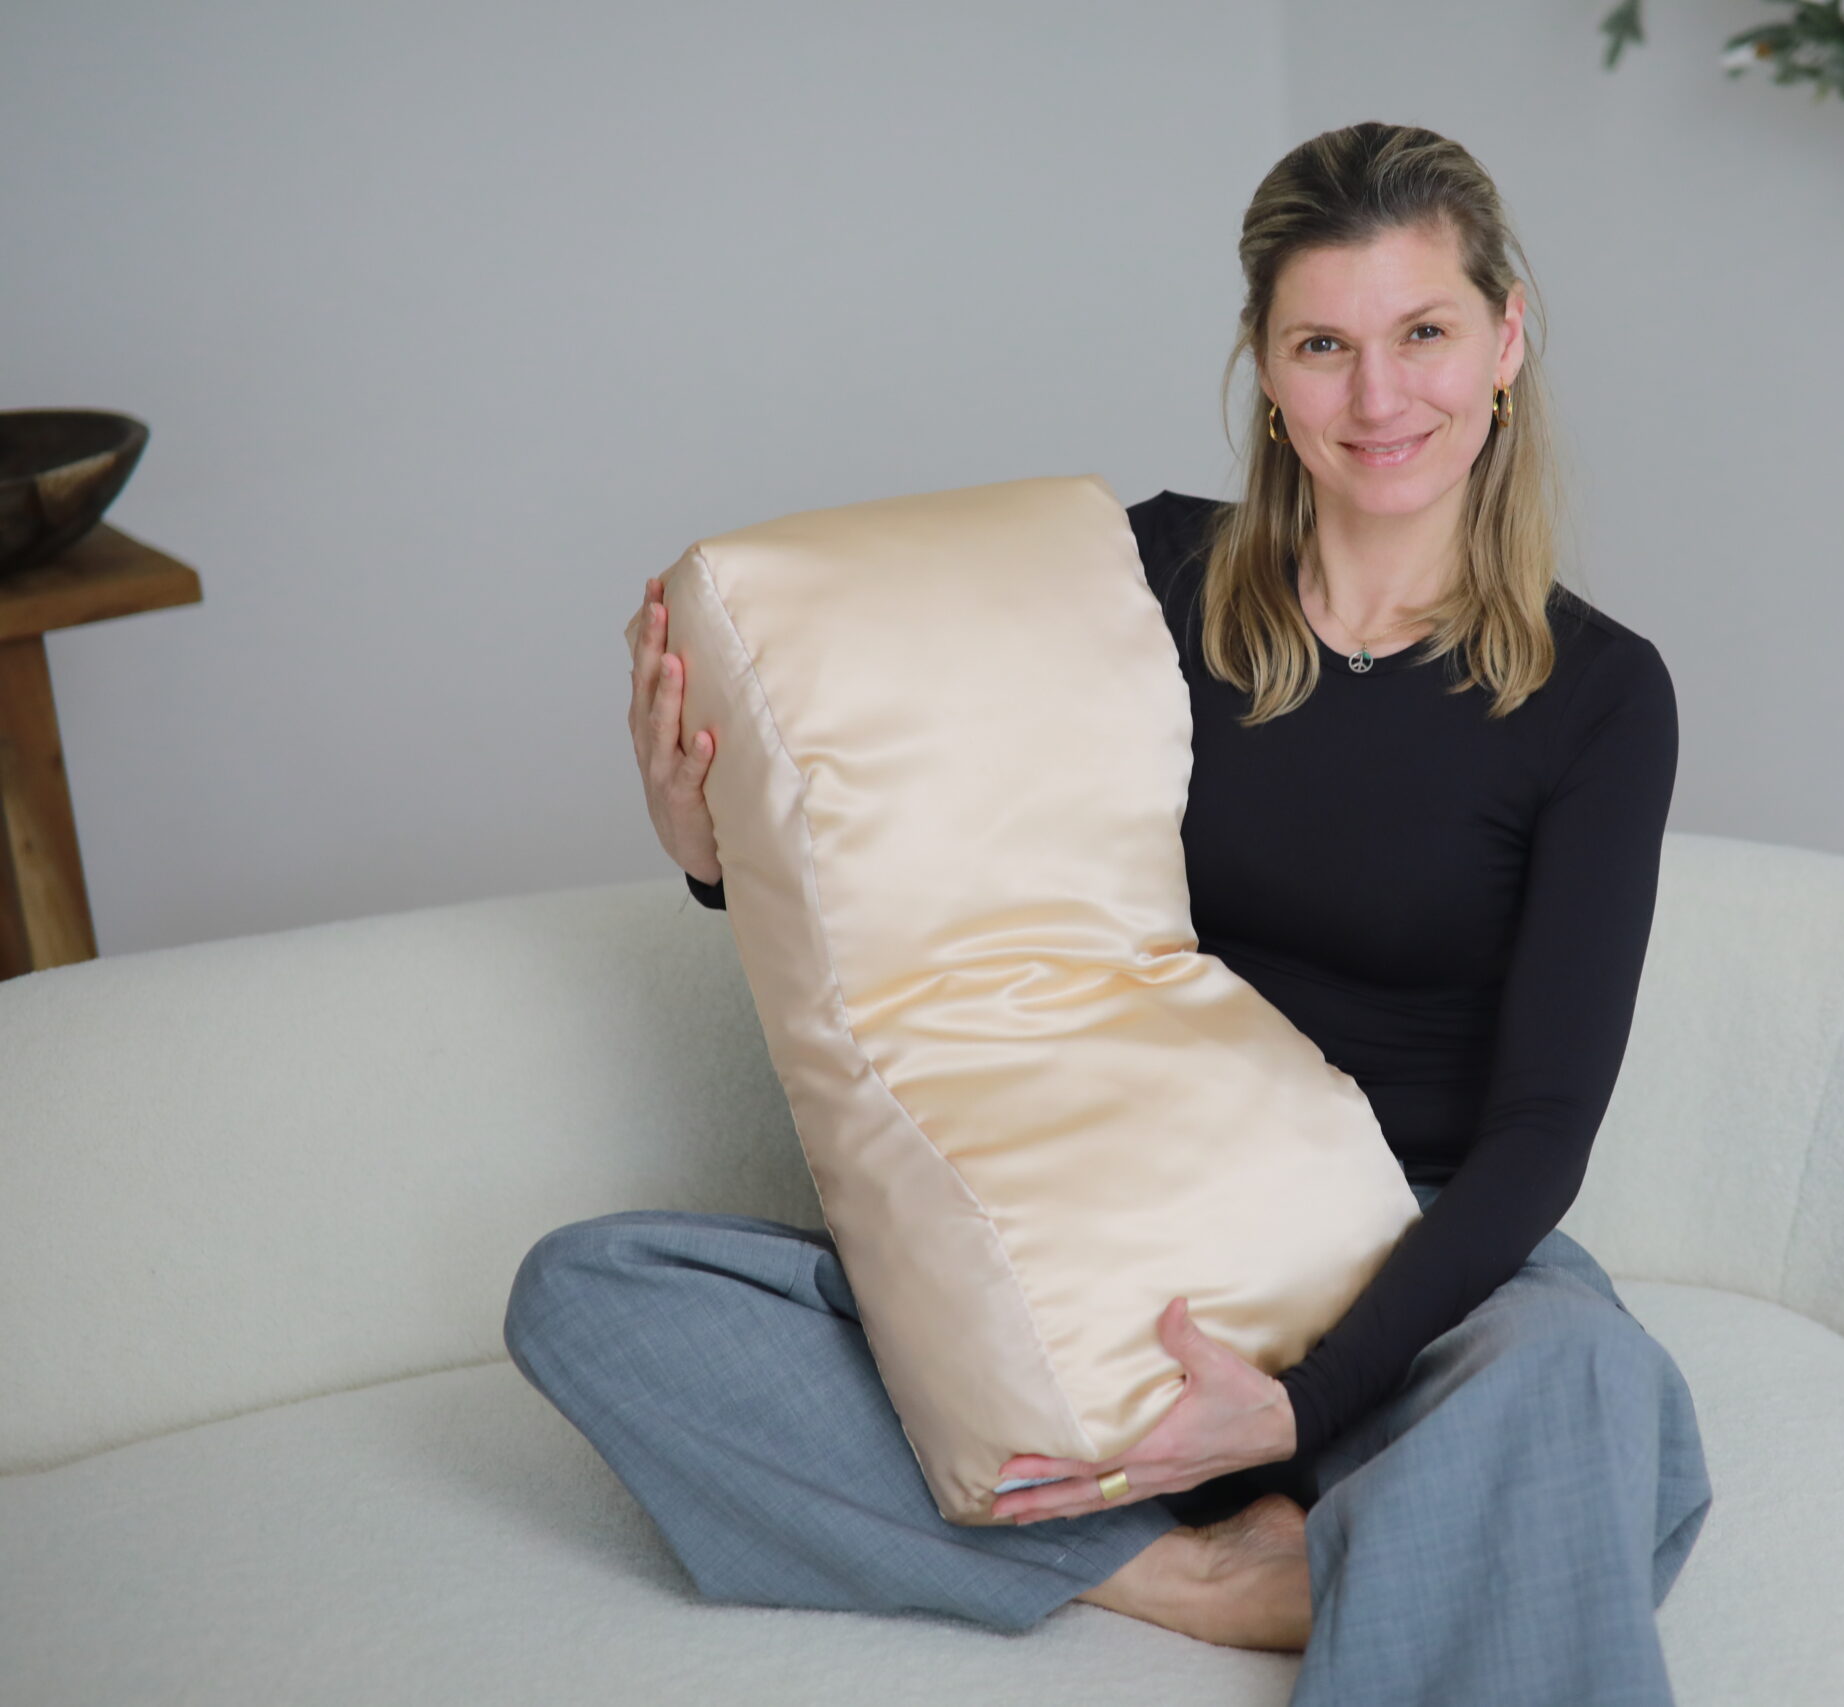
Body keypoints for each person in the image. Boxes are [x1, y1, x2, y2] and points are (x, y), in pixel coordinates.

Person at [504, 119, 1712, 1705]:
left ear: (1506, 340)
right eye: (1323, 345)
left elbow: (1543, 1133)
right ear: (1264, 366)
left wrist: (1304, 1402)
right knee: (595, 1295)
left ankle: (1344, 1493)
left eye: (1424, 333)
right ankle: (1189, 1572)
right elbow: (930, 867)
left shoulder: (1599, 694)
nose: (1379, 397)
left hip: (1404, 1266)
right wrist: (711, 852)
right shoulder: (1142, 573)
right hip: (1096, 1242)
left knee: (1582, 1374)